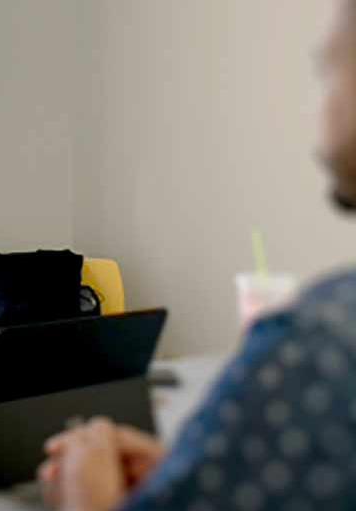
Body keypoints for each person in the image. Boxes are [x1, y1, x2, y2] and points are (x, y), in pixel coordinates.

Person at [39, 1, 356, 510]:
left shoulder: (313, 347)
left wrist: (86, 499)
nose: (317, 100)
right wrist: (195, 476)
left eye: (331, 67)